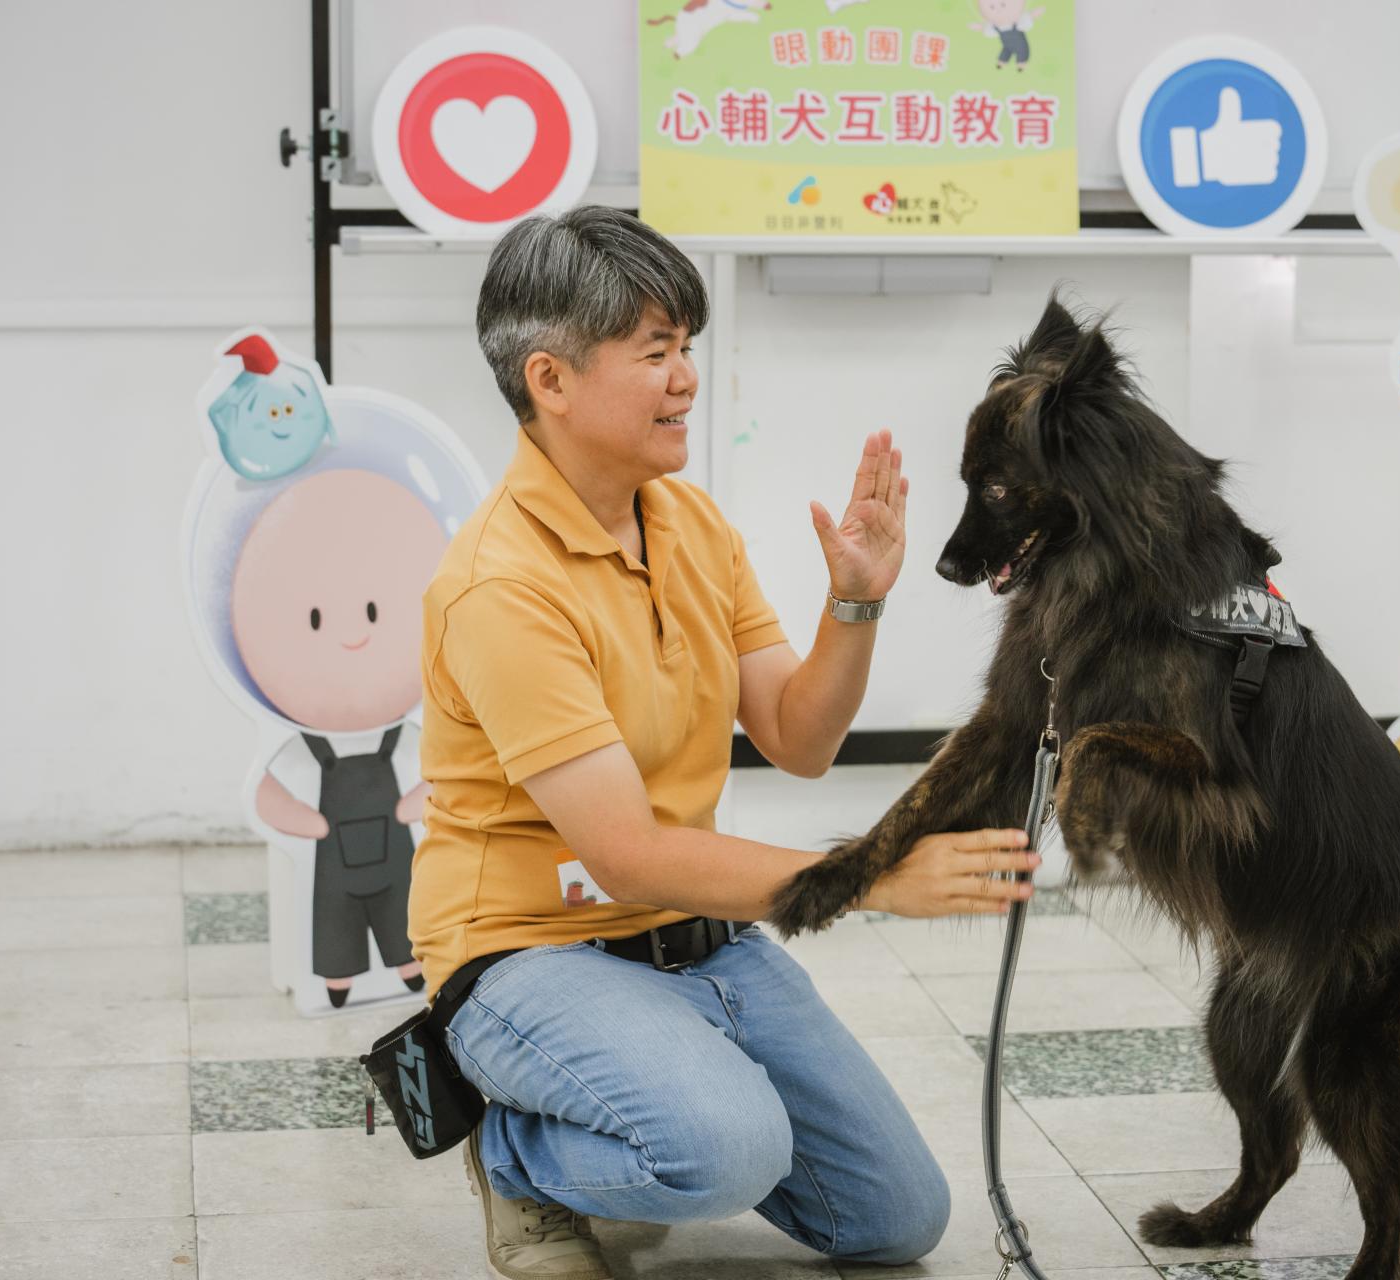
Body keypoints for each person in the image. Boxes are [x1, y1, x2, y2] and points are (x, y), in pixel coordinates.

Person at [408, 205, 1039, 1280]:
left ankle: (658, 1098)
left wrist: (854, 604)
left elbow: (797, 738)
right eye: (655, 350)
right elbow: (626, 853)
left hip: (693, 934)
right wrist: (869, 874)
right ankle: (514, 1151)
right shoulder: (499, 586)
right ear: (550, 380)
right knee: (722, 1149)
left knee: (898, 1215)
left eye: (686, 347)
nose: (686, 376)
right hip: (527, 950)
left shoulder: (690, 523)